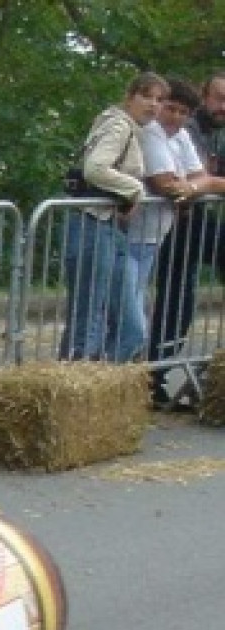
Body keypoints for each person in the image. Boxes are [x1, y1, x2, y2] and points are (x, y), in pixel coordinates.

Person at [60, 72, 166, 363]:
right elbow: (94, 168)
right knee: (87, 321)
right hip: (90, 223)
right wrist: (135, 190)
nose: (153, 105)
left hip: (109, 226)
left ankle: (99, 383)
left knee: (132, 330)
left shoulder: (132, 130)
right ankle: (75, 386)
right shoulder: (118, 125)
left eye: (159, 99)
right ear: (130, 96)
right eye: (146, 96)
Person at [149, 72, 225, 401]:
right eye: (219, 98)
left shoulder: (215, 134)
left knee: (179, 299)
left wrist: (205, 184)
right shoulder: (186, 130)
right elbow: (180, 182)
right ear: (204, 98)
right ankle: (153, 374)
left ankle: (157, 375)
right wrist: (204, 184)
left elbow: (204, 181)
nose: (223, 106)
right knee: (174, 300)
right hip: (174, 223)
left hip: (189, 220)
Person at [129, 78, 201, 377]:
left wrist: (191, 186)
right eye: (170, 108)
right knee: (129, 317)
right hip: (131, 236)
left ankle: (131, 376)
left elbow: (201, 177)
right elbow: (165, 183)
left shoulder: (181, 136)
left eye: (183, 112)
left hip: (153, 238)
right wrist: (189, 187)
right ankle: (121, 374)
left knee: (134, 310)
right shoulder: (152, 132)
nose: (175, 117)